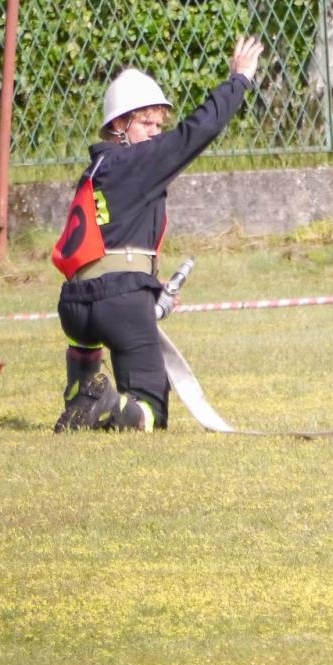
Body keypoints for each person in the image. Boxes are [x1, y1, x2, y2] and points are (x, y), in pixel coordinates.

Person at [52, 35, 263, 433]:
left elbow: (108, 242)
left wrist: (150, 288)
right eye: (146, 122)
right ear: (119, 124)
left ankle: (81, 396)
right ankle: (109, 402)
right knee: (150, 412)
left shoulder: (97, 170)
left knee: (92, 366)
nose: (154, 132)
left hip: (75, 307)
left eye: (158, 124)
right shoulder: (139, 161)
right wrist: (239, 81)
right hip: (119, 302)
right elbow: (198, 132)